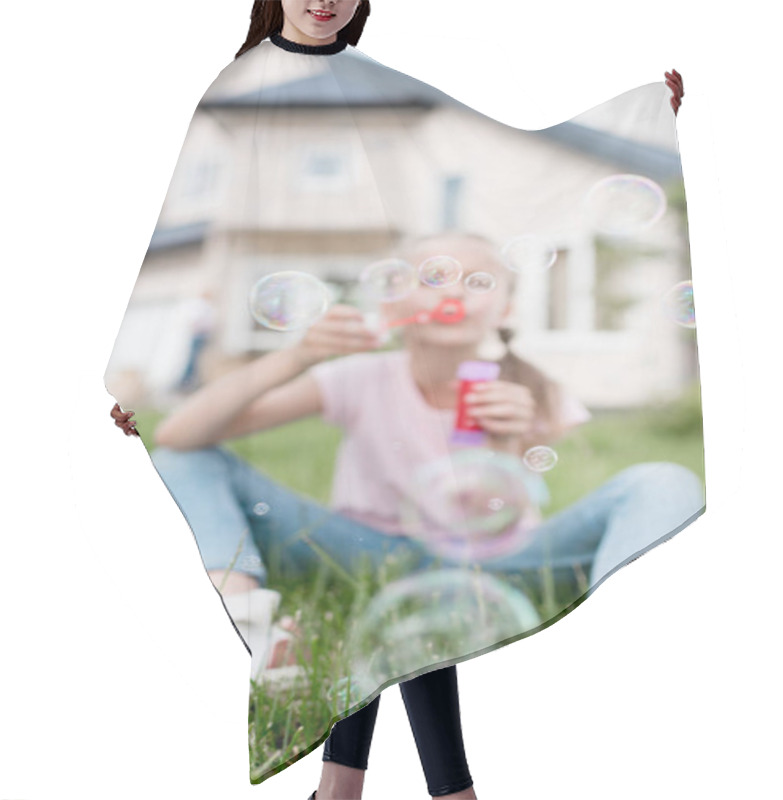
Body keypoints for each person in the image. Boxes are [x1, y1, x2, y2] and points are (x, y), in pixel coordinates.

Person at [108, 4, 691, 799]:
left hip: (493, 561)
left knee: (443, 578)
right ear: (400, 296)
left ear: (505, 307)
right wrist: (282, 357)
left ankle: (351, 789)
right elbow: (190, 425)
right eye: (434, 275)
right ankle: (263, 622)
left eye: (477, 279)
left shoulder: (523, 385)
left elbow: (515, 157)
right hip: (375, 557)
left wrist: (646, 122)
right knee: (395, 595)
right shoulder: (359, 374)